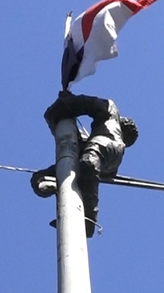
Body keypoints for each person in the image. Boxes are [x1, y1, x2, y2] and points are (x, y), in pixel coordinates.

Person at [32, 91, 139, 237]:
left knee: (88, 162)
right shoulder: (105, 144)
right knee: (69, 169)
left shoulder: (111, 111)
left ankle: (88, 220)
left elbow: (87, 103)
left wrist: (65, 105)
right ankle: (50, 184)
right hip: (107, 159)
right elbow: (80, 143)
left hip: (104, 146)